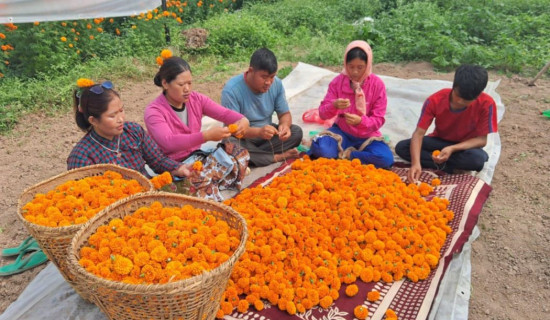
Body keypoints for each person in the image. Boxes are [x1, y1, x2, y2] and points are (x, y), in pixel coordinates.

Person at [145, 56, 250, 201]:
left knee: (239, 153)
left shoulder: (196, 99)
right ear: (165, 83)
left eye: (189, 83)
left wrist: (242, 120)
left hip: (197, 158)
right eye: (181, 84)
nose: (187, 89)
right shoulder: (154, 111)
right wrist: (205, 136)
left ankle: (208, 183)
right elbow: (168, 142)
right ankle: (210, 182)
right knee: (193, 178)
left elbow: (224, 113)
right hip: (173, 167)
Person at [395, 64, 498, 183]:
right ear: (454, 85)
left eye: (466, 100)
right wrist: (415, 164)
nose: (459, 101)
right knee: (402, 147)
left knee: (477, 159)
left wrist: (452, 148)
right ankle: (448, 166)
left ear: (478, 95)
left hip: (464, 146)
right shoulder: (435, 99)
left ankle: (441, 164)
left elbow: (481, 140)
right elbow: (418, 134)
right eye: (458, 96)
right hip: (439, 140)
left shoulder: (487, 104)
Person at [67, 79, 191, 178]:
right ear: (93, 120)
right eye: (112, 115)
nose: (121, 119)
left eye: (121, 110)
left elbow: (158, 160)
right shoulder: (82, 157)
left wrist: (179, 168)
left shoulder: (133, 131)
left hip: (150, 194)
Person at [310, 40, 394, 169]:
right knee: (321, 148)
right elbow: (322, 113)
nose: (355, 72)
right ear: (345, 64)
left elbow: (379, 119)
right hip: (342, 131)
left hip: (367, 135)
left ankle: (349, 154)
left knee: (385, 158)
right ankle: (356, 155)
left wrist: (361, 121)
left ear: (368, 65)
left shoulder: (377, 85)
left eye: (360, 67)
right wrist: (334, 105)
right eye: (351, 66)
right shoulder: (337, 82)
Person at [221, 48, 303, 167]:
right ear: (250, 71)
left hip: (267, 136)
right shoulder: (231, 90)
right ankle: (275, 157)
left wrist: (285, 126)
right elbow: (235, 130)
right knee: (229, 143)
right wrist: (259, 132)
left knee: (296, 132)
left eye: (272, 77)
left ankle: (252, 157)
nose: (268, 82)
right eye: (264, 77)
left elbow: (284, 114)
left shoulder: (277, 84)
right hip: (244, 137)